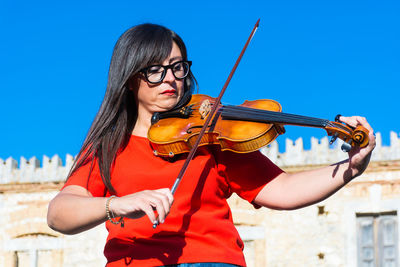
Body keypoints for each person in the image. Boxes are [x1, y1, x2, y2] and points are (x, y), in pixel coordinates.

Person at [47, 23, 376, 267]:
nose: (170, 78)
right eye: (155, 71)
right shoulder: (108, 145)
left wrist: (350, 168)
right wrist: (115, 204)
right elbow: (59, 213)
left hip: (214, 261)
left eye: (177, 67)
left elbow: (283, 189)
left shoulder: (211, 136)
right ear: (131, 78)